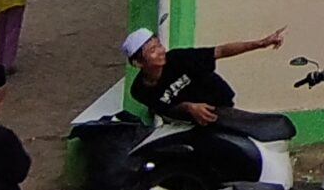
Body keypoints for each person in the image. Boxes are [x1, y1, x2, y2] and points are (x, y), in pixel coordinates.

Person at [122, 25, 286, 125]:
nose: (161, 51)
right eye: (152, 50)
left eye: (159, 46)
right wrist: (188, 107)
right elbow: (165, 108)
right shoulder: (139, 91)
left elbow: (219, 51)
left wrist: (261, 43)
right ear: (138, 62)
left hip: (219, 107)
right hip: (189, 123)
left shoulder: (179, 58)